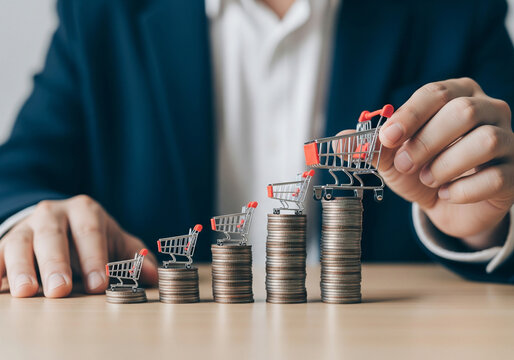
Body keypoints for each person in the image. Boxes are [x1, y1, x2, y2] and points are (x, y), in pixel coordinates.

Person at [0, 0, 513, 298]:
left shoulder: (458, 10)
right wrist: (31, 218)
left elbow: (501, 162)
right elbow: (17, 176)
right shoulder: (102, 13)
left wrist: (491, 221)